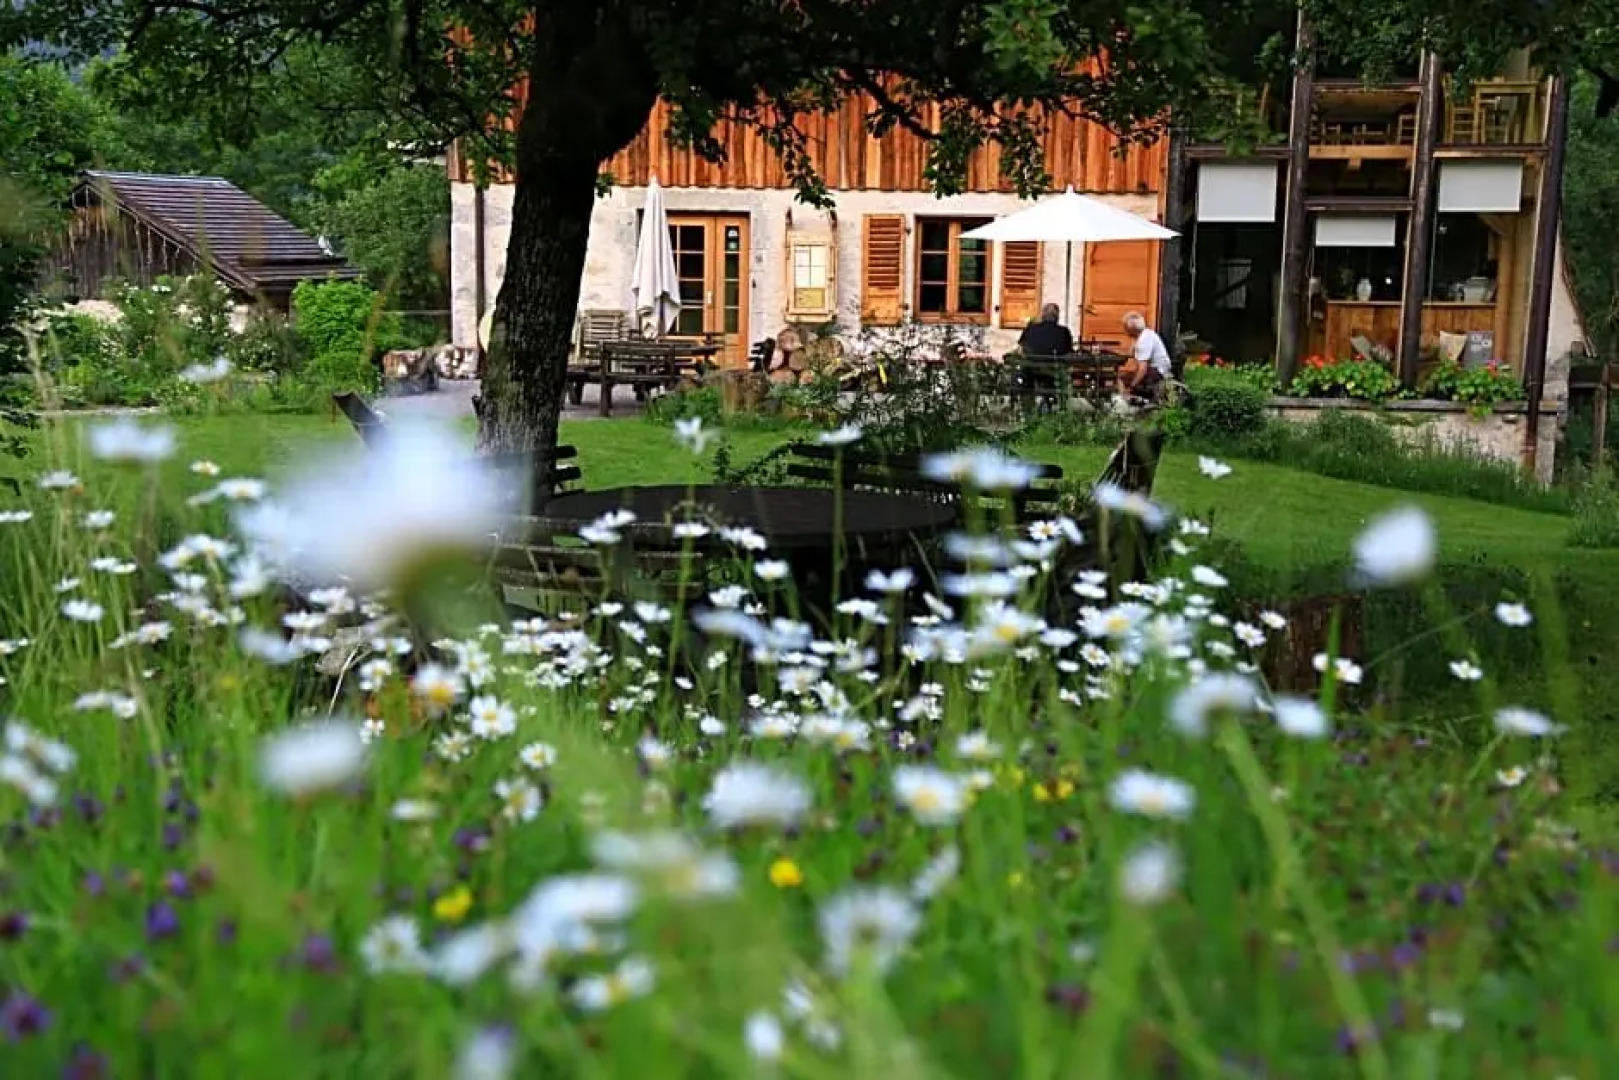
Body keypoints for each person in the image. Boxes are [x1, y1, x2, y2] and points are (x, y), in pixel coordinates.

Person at [1118, 311, 1171, 400]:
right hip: (1156, 369)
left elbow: (1142, 370)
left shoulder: (1144, 340)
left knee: (1122, 378)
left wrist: (1131, 387)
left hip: (1158, 372)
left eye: (1125, 327)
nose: (1125, 330)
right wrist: (1107, 349)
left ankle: (1125, 401)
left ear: (1131, 328)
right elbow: (1128, 354)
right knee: (1123, 375)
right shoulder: (1144, 334)